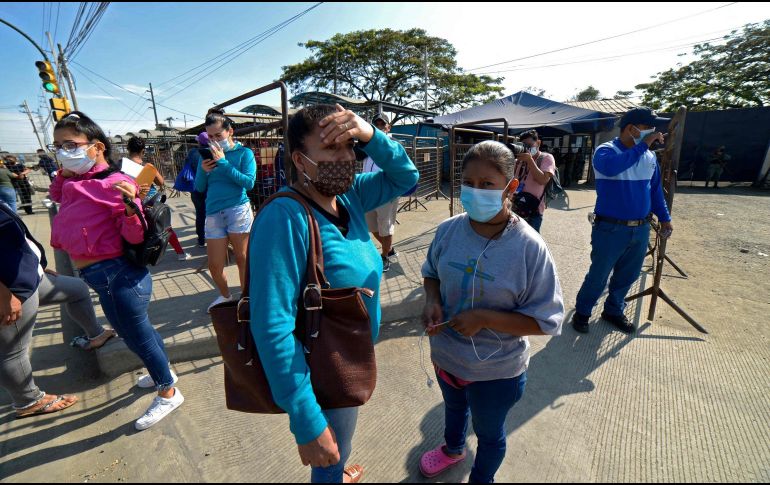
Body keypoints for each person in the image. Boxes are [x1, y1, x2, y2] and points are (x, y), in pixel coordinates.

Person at [249, 103, 419, 483]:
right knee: (330, 457)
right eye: (331, 148)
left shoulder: (350, 196)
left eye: (349, 146)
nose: (345, 158)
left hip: (350, 353)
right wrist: (306, 420)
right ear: (300, 160)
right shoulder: (284, 218)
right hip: (323, 370)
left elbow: (406, 175)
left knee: (340, 447)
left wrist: (370, 135)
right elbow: (272, 326)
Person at [418, 140, 563, 483]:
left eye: (487, 184)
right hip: (447, 357)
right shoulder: (448, 230)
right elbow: (431, 273)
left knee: (489, 433)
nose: (475, 191)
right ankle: (453, 449)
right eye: (468, 183)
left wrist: (485, 319)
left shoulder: (529, 247)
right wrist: (432, 300)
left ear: (510, 187)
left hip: (496, 372)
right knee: (454, 408)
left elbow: (547, 321)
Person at [49, 112, 184, 430]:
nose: (63, 151)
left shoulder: (114, 183)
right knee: (140, 332)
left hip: (119, 276)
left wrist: (129, 207)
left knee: (138, 336)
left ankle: (168, 392)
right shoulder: (74, 182)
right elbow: (55, 195)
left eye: (70, 144)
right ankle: (164, 373)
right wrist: (63, 173)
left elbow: (135, 236)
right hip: (103, 277)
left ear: (96, 147)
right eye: (58, 146)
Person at [0, 200, 118, 418]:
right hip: (10, 291)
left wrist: (37, 264)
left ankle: (96, 335)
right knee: (13, 351)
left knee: (77, 289)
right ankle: (28, 401)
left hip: (26, 277)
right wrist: (4, 296)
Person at [572, 107, 673, 334]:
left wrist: (665, 218)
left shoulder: (649, 157)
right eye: (649, 127)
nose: (654, 132)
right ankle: (583, 312)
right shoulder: (606, 151)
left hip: (641, 228)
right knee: (599, 275)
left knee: (628, 275)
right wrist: (643, 145)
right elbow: (611, 168)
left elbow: (655, 191)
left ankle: (613, 310)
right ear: (631, 128)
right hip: (610, 228)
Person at [194, 109, 256, 313]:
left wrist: (223, 163)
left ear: (230, 131)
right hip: (213, 212)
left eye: (218, 135)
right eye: (210, 137)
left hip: (238, 209)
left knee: (242, 258)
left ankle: (246, 298)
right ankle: (225, 295)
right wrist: (203, 170)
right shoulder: (206, 155)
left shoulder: (244, 153)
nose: (214, 141)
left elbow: (249, 183)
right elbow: (199, 188)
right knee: (214, 264)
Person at [124, 136, 191, 261]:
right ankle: (180, 254)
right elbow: (161, 182)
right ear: (143, 151)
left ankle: (143, 257)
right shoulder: (148, 167)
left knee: (140, 230)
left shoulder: (121, 168)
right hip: (152, 202)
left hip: (133, 205)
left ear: (128, 149)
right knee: (164, 227)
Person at [363, 113, 400, 272]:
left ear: (388, 127)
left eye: (382, 124)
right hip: (368, 191)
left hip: (387, 192)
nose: (379, 127)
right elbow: (357, 155)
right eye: (376, 124)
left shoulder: (393, 144)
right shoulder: (366, 144)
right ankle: (389, 249)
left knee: (386, 227)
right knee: (371, 226)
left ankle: (385, 256)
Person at [513, 129, 556, 233]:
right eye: (524, 146)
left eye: (529, 145)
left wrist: (530, 160)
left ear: (538, 143)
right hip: (516, 205)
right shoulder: (520, 161)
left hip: (533, 210)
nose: (527, 149)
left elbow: (543, 180)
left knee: (531, 239)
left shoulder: (546, 158)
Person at [183, 132, 209, 247]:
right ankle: (215, 238)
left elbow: (185, 166)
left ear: (199, 142)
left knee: (200, 213)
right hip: (211, 187)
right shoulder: (213, 152)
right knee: (213, 213)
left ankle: (201, 239)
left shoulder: (193, 152)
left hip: (195, 187)